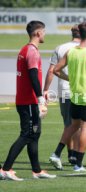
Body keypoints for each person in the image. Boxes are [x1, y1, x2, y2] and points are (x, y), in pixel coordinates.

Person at [0, 21, 56, 181]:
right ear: (38, 33)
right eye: (43, 32)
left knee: (35, 134)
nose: (44, 34)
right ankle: (5, 169)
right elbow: (33, 77)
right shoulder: (32, 52)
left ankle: (37, 170)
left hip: (26, 101)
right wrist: (40, 100)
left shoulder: (25, 49)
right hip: (29, 102)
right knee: (27, 134)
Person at [53, 21, 86, 172]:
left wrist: (69, 79)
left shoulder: (71, 52)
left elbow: (56, 70)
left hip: (75, 96)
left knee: (73, 126)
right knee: (85, 129)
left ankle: (57, 153)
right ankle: (78, 165)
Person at [44, 24, 81, 169]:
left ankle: (71, 155)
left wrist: (45, 90)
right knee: (79, 125)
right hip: (79, 91)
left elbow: (51, 71)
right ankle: (76, 156)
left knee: (68, 124)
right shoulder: (84, 49)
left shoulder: (60, 48)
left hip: (64, 91)